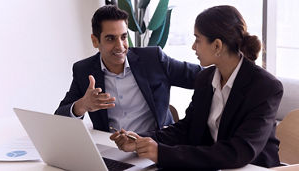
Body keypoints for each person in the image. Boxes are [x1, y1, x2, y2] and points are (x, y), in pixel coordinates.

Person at [110, 5, 283, 170]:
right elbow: (186, 129)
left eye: (197, 39)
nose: (193, 47)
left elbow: (237, 153)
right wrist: (141, 139)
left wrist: (162, 153)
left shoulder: (265, 87)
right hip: (213, 166)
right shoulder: (205, 78)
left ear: (217, 46)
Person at [55, 5, 202, 134]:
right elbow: (59, 119)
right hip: (111, 148)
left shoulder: (153, 59)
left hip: (155, 146)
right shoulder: (84, 70)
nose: (120, 46)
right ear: (95, 41)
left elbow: (201, 76)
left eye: (123, 37)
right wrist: (82, 105)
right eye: (110, 39)